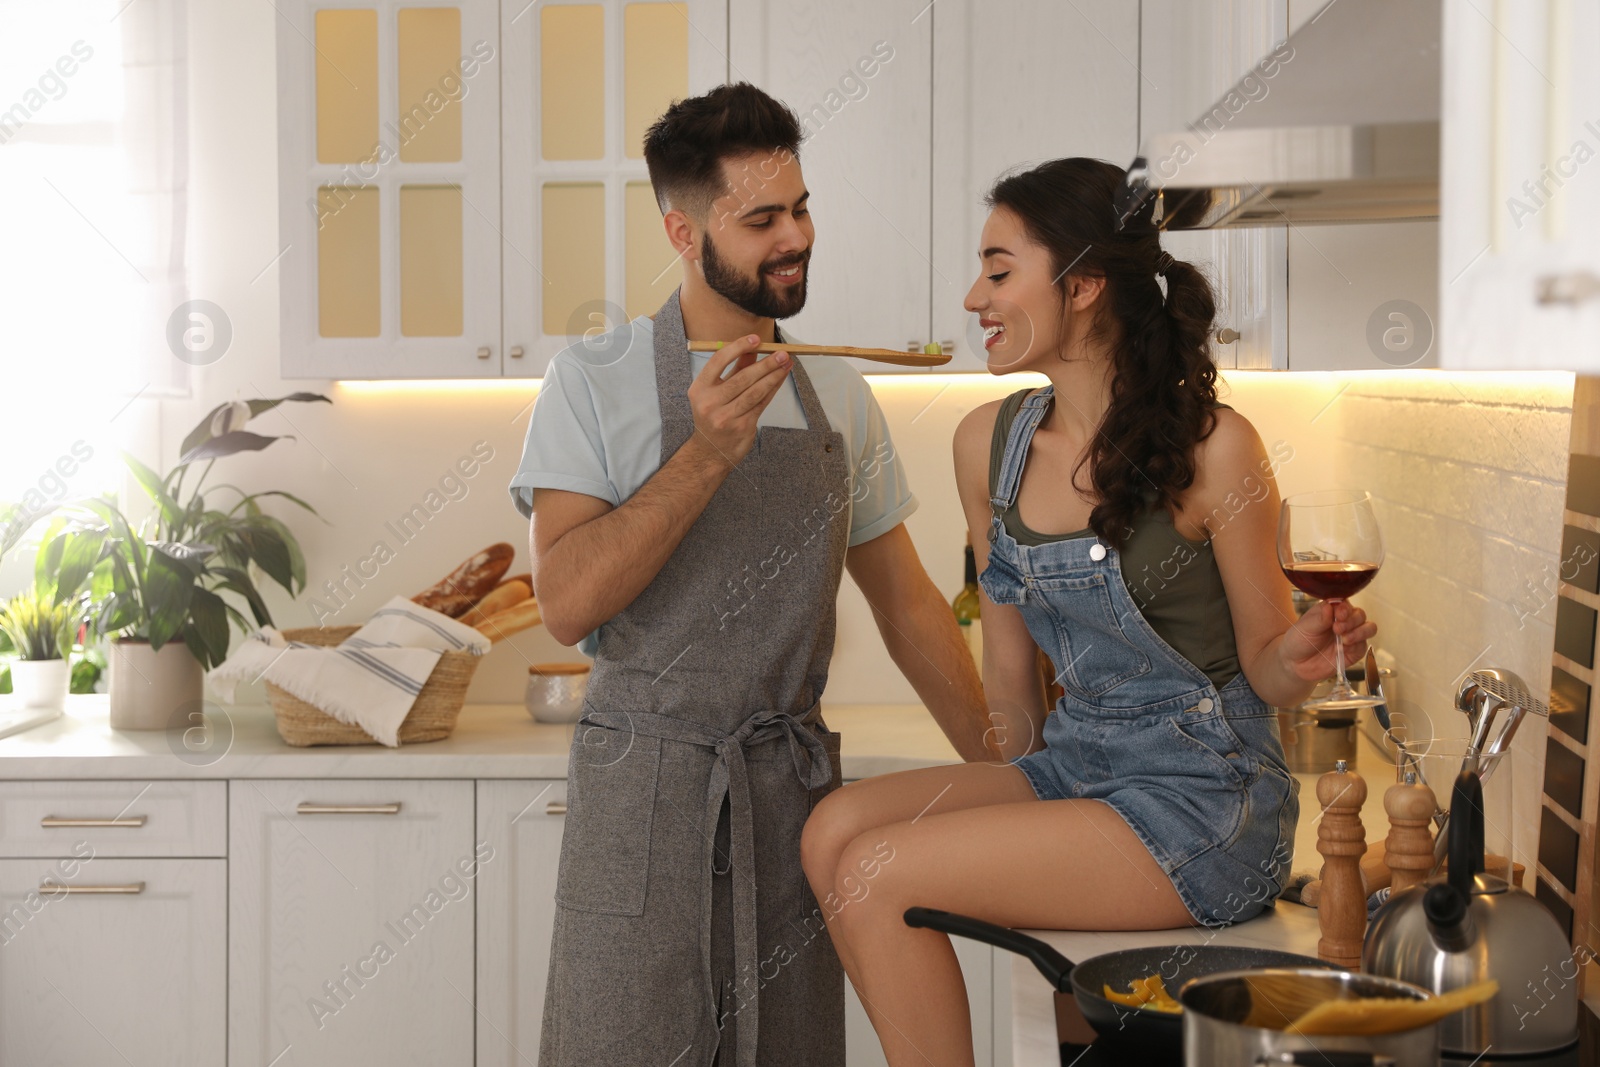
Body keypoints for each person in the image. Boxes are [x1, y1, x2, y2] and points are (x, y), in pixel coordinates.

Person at [799, 157, 1377, 1065]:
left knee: (877, 869)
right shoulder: (986, 444)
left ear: (1085, 286)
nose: (971, 297)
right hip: (1075, 764)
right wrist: (997, 803)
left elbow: (1266, 658)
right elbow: (1009, 682)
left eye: (998, 270)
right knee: (832, 829)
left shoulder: (1215, 449)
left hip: (1203, 800)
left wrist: (1301, 652)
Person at [508, 83, 993, 1067]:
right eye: (762, 218)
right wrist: (704, 454)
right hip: (644, 793)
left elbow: (905, 609)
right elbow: (564, 602)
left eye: (802, 207)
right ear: (684, 232)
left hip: (790, 799)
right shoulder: (589, 381)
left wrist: (1013, 768)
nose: (795, 236)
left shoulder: (840, 394)